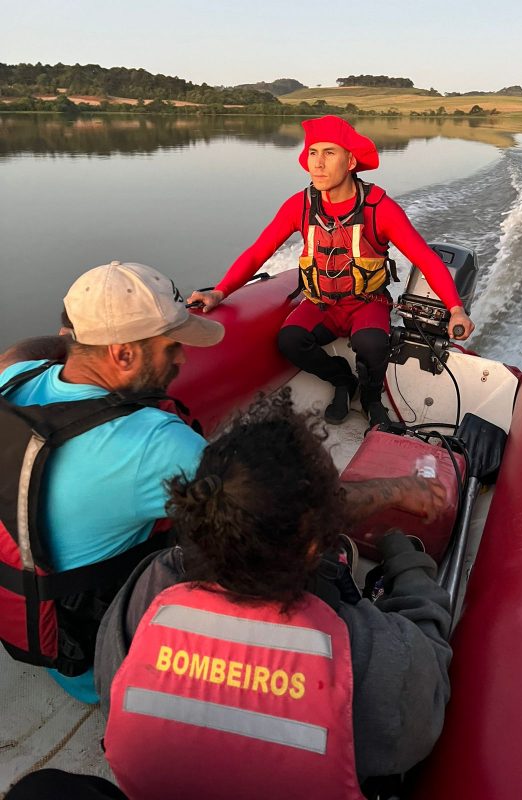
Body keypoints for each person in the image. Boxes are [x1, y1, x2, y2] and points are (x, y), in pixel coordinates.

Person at [96, 390, 452, 800]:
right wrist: (407, 563)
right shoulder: (362, 655)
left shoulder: (148, 590)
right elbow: (426, 691)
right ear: (313, 548)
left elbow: (111, 687)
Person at [0, 260, 225, 703]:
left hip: (48, 637)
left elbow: (20, 350)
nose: (182, 357)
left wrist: (76, 344)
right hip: (108, 667)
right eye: (170, 347)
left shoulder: (12, 381)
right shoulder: (157, 445)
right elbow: (269, 512)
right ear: (122, 355)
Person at [188, 115, 474, 428]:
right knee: (290, 340)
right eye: (313, 153)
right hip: (320, 302)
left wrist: (455, 309)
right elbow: (259, 251)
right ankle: (342, 379)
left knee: (373, 344)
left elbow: (426, 259)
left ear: (350, 161)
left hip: (366, 302)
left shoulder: (379, 208)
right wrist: (220, 291)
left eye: (329, 153)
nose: (318, 163)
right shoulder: (299, 206)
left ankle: (371, 397)